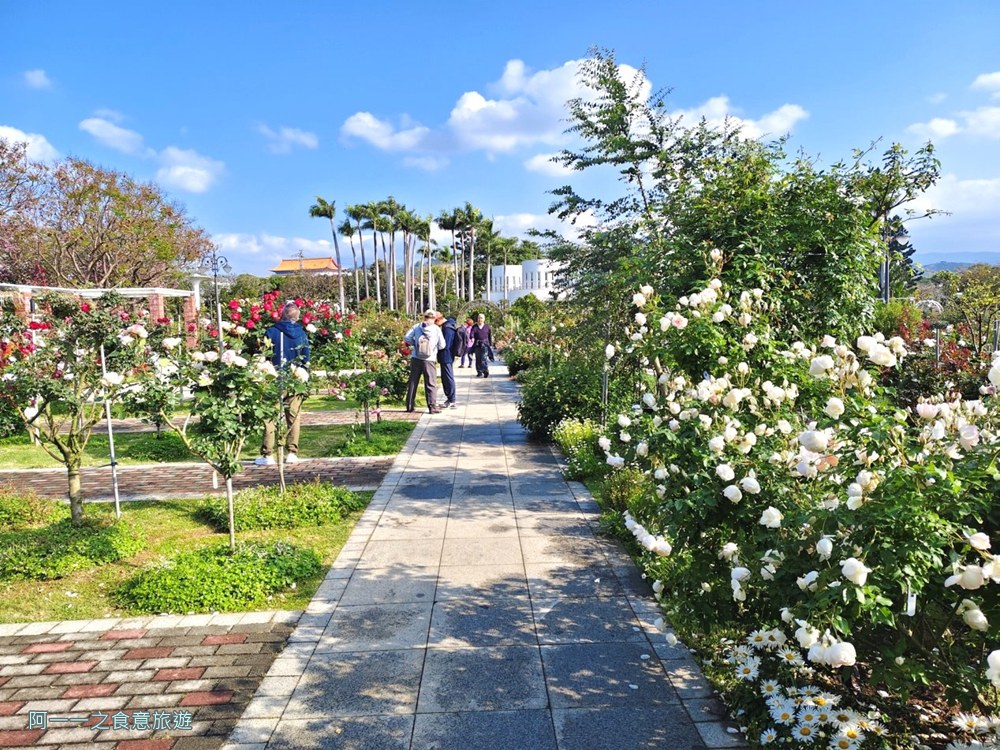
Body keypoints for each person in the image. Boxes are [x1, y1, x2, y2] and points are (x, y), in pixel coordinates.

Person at [255, 302, 310, 465]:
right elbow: (306, 358)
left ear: (282, 315)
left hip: (273, 378)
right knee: (293, 417)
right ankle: (292, 452)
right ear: (297, 317)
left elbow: (262, 355)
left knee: (269, 416)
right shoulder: (302, 334)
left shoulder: (272, 332)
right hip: (295, 379)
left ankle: (268, 455)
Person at [404, 309, 446, 413]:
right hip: (429, 359)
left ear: (424, 317)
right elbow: (442, 345)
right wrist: (434, 348)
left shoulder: (417, 326)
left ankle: (409, 406)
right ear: (434, 318)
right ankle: (432, 407)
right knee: (431, 383)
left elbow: (407, 337)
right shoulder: (436, 329)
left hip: (416, 358)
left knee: (413, 382)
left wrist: (416, 344)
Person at [437, 314, 459, 408]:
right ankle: (449, 399)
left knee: (448, 377)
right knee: (445, 377)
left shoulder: (447, 328)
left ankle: (452, 399)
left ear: (439, 319)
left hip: (446, 356)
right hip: (446, 355)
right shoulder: (448, 326)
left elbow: (445, 344)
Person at [470, 313, 493, 378]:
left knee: (483, 358)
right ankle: (479, 371)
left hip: (485, 344)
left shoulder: (487, 327)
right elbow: (472, 333)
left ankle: (485, 370)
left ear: (484, 319)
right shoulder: (475, 326)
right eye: (479, 318)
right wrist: (472, 338)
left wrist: (490, 344)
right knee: (478, 359)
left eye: (481, 318)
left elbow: (489, 336)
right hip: (477, 344)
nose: (479, 319)